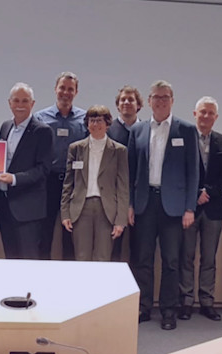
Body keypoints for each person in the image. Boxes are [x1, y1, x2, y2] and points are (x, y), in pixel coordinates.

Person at [127, 80, 199, 330]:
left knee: (171, 260)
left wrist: (190, 207)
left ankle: (169, 310)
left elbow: (194, 172)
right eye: (156, 97)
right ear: (148, 101)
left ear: (172, 100)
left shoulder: (187, 130)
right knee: (143, 259)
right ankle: (144, 306)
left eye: (165, 97)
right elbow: (131, 171)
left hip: (174, 206)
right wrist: (130, 204)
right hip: (145, 203)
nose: (160, 101)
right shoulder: (138, 131)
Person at [178, 96, 222, 321]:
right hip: (189, 207)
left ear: (216, 117)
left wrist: (208, 191)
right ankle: (186, 300)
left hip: (214, 208)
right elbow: (178, 171)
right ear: (194, 114)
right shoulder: (182, 139)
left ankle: (207, 301)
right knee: (186, 256)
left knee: (209, 258)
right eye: (202, 112)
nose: (206, 116)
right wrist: (195, 194)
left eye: (211, 113)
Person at [0, 83, 54, 259]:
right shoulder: (5, 127)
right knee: (10, 257)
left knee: (29, 259)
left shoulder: (43, 131)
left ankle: (30, 288)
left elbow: (43, 169)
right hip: (4, 204)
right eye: (16, 100)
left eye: (25, 101)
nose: (20, 104)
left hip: (28, 208)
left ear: (32, 104)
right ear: (9, 103)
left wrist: (14, 179)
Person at [61, 105, 128, 261]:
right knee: (81, 257)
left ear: (108, 124)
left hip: (107, 211)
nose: (95, 124)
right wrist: (65, 213)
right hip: (80, 208)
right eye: (92, 120)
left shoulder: (119, 151)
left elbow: (123, 187)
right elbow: (68, 183)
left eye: (99, 121)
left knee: (103, 257)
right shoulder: (76, 148)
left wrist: (120, 220)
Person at [35, 72, 87, 260]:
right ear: (55, 89)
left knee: (71, 236)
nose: (66, 92)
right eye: (62, 88)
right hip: (46, 183)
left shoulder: (84, 119)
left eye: (70, 89)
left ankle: (69, 283)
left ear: (76, 92)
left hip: (74, 184)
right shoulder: (40, 118)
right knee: (43, 234)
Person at [107, 86, 143, 261]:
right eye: (123, 100)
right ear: (117, 105)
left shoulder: (147, 130)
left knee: (140, 253)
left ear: (139, 105)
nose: (127, 103)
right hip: (112, 200)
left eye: (131, 99)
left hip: (142, 200)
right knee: (113, 252)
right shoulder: (107, 130)